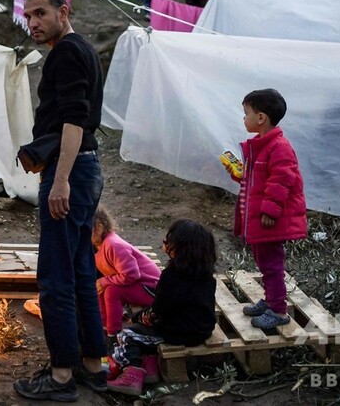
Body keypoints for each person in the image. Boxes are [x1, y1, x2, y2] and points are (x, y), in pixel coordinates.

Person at [13, 0, 106, 402]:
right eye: (28, 15)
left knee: (55, 276)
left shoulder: (66, 53)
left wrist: (61, 179)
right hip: (88, 168)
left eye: (40, 13)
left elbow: (74, 119)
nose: (31, 22)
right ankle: (92, 365)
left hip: (72, 171)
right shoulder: (80, 49)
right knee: (82, 270)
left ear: (63, 12)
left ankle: (62, 375)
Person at [224, 88, 307, 329]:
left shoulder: (279, 147)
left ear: (261, 118)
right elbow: (258, 182)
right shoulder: (261, 146)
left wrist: (270, 211)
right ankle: (271, 301)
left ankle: (279, 311)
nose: (244, 118)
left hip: (270, 220)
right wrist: (240, 174)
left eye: (246, 113)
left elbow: (282, 180)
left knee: (272, 266)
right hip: (260, 221)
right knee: (265, 264)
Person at [107, 219, 217, 396]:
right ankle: (150, 369)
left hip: (178, 332)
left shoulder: (170, 276)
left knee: (127, 334)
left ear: (179, 248)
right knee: (145, 330)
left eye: (168, 240)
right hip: (204, 329)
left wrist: (137, 318)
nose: (164, 244)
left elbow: (158, 311)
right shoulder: (207, 275)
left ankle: (132, 373)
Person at [92, 205, 160, 349]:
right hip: (137, 284)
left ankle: (113, 335)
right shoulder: (98, 246)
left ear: (98, 227)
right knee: (100, 288)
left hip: (152, 288)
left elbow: (131, 274)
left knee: (112, 291)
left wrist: (105, 281)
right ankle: (104, 326)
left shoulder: (113, 245)